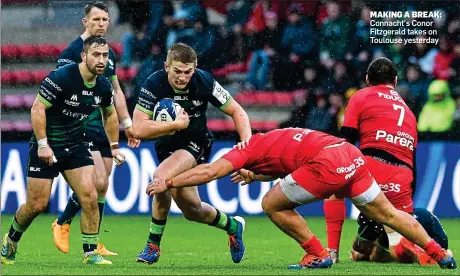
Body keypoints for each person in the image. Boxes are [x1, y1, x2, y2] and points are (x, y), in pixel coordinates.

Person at [146, 128, 457, 270]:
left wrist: (168, 181)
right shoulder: (270, 141)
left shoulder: (244, 151)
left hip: (327, 163)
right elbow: (285, 163)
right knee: (388, 214)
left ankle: (317, 254)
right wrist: (256, 175)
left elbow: (210, 172)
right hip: (351, 155)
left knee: (271, 203)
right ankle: (439, 253)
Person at [1, 36, 122, 265]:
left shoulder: (104, 85)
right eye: (96, 55)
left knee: (89, 194)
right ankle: (11, 238)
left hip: (75, 145)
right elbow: (38, 108)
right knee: (37, 204)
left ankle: (90, 252)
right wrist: (43, 144)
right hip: (47, 145)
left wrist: (114, 147)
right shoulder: (62, 77)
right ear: (83, 56)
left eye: (105, 55)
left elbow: (110, 114)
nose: (101, 59)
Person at [132, 42, 252, 264]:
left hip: (196, 144)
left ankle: (152, 246)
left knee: (160, 177)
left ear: (194, 68)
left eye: (188, 72)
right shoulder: (153, 83)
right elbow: (138, 128)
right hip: (166, 147)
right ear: (166, 66)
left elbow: (237, 111)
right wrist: (175, 125)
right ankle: (233, 226)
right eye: (177, 71)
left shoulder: (204, 81)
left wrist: (247, 145)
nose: (182, 77)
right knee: (192, 210)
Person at [51, 1, 140, 256]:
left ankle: (95, 241)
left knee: (102, 186)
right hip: (80, 126)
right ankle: (63, 221)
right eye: (96, 19)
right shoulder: (71, 53)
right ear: (85, 22)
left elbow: (115, 91)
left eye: (105, 20)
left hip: (103, 126)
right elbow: (60, 91)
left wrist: (127, 124)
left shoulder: (108, 53)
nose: (101, 24)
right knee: (96, 180)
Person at [322, 57, 426, 264]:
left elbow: (347, 140)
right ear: (395, 81)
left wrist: (335, 173)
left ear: (368, 79)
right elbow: (413, 161)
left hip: (371, 169)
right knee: (383, 249)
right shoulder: (409, 113)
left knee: (334, 192)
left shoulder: (361, 96)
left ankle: (332, 253)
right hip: (403, 177)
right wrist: (405, 202)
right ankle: (402, 245)